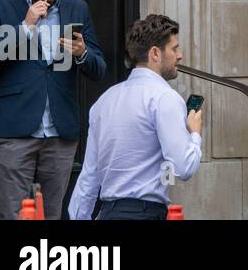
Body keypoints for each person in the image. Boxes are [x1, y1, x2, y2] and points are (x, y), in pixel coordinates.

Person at [0, 0, 106, 220]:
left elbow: (99, 69)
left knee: (52, 215)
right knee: (12, 215)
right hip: (16, 129)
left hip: (60, 131)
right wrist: (25, 26)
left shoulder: (77, 9)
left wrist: (83, 53)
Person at [68, 14, 202, 220]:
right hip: (144, 213)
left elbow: (89, 177)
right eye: (174, 48)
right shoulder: (165, 98)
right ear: (155, 53)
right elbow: (184, 167)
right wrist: (194, 134)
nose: (180, 55)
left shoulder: (104, 101)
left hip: (107, 214)